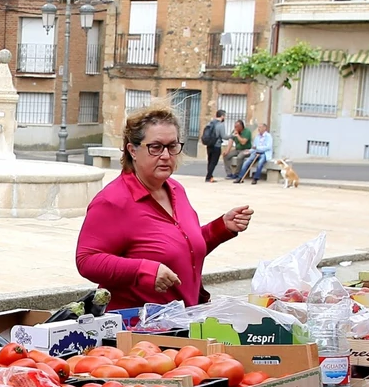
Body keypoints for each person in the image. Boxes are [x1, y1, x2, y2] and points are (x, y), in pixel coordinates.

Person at [74, 105, 253, 306]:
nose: (166, 156)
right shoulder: (113, 201)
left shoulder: (176, 190)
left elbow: (181, 247)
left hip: (181, 322)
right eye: (156, 147)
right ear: (132, 150)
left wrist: (221, 228)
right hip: (136, 329)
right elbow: (87, 260)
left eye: (172, 146)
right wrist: (144, 270)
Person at [202, 109, 226, 182]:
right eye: (224, 116)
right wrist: (232, 136)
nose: (225, 118)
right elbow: (224, 136)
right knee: (214, 162)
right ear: (222, 116)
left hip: (209, 144)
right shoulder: (220, 125)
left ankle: (210, 176)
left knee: (210, 161)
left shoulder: (210, 123)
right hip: (216, 145)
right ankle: (208, 177)